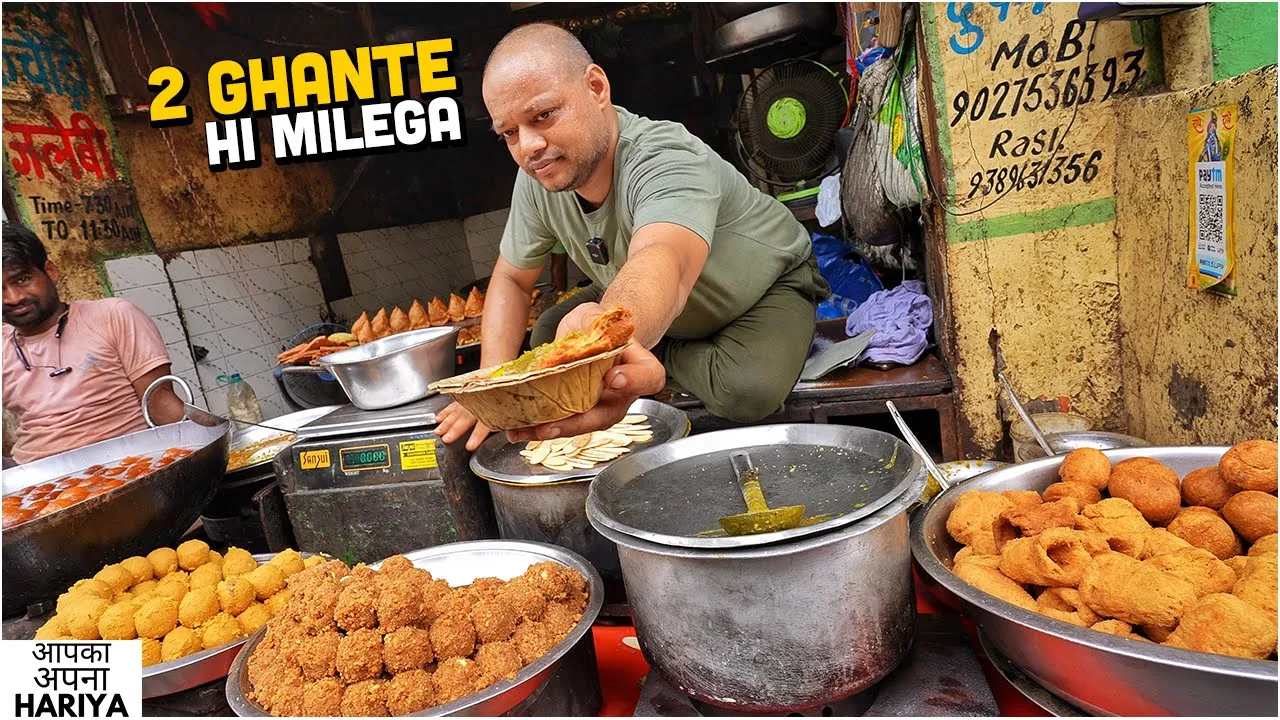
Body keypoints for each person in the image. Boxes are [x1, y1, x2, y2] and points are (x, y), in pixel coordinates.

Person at [436, 23, 829, 451]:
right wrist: (490, 383)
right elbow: (512, 279)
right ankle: (645, 344)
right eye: (509, 133)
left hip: (759, 291)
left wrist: (605, 336)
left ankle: (654, 353)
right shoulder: (537, 178)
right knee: (546, 335)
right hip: (651, 304)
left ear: (596, 87)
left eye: (542, 115)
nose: (528, 146)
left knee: (748, 390)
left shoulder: (665, 156)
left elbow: (663, 256)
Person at [1, 222, 187, 464]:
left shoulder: (113, 316)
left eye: (23, 279)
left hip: (130, 467)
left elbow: (160, 401)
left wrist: (210, 449)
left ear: (51, 272)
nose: (13, 298)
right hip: (39, 484)